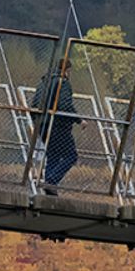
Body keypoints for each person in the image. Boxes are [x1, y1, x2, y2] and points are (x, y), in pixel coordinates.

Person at [31, 58, 85, 194]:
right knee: (71, 156)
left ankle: (50, 190)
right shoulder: (63, 83)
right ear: (67, 71)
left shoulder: (43, 82)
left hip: (42, 125)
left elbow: (34, 105)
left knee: (53, 156)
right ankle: (51, 181)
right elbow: (65, 105)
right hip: (57, 126)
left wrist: (38, 122)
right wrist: (79, 120)